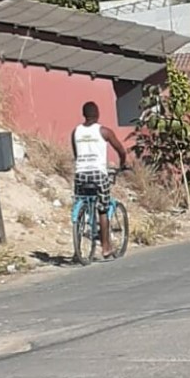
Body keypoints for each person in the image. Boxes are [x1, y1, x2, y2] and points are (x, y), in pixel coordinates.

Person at [71, 101, 127, 260]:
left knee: (81, 201)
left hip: (80, 174)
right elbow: (121, 150)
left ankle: (78, 249)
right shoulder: (104, 131)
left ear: (84, 114)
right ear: (97, 114)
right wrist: (122, 164)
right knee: (103, 209)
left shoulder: (75, 132)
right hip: (98, 174)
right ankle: (106, 248)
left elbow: (77, 155)